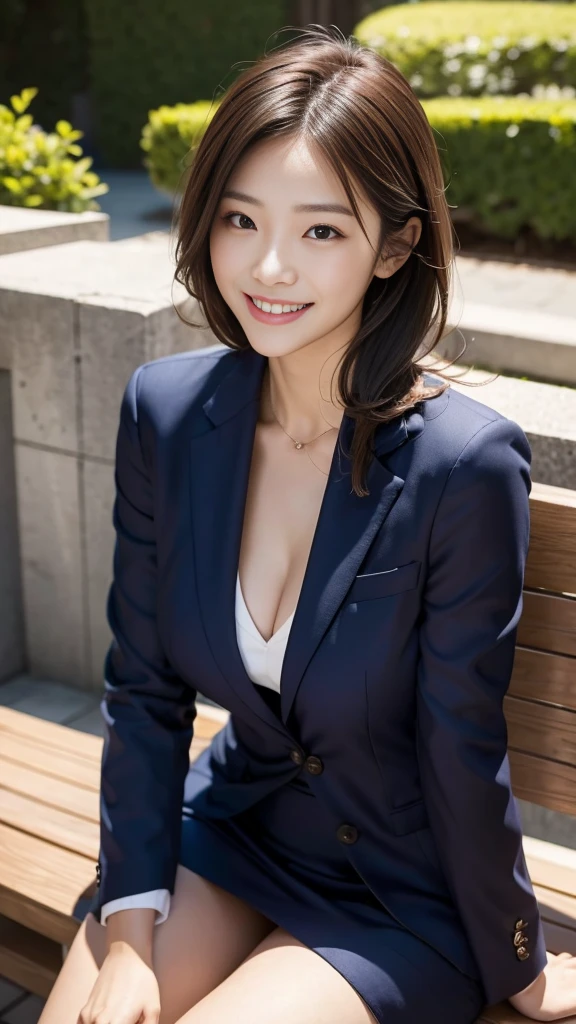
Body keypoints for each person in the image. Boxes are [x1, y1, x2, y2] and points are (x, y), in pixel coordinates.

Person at [38, 24, 576, 1024]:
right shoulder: (168, 412)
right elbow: (145, 695)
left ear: (398, 244)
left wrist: (522, 960)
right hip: (230, 825)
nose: (269, 266)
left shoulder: (463, 463)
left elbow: (463, 745)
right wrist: (131, 927)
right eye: (241, 219)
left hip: (394, 883)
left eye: (322, 230)